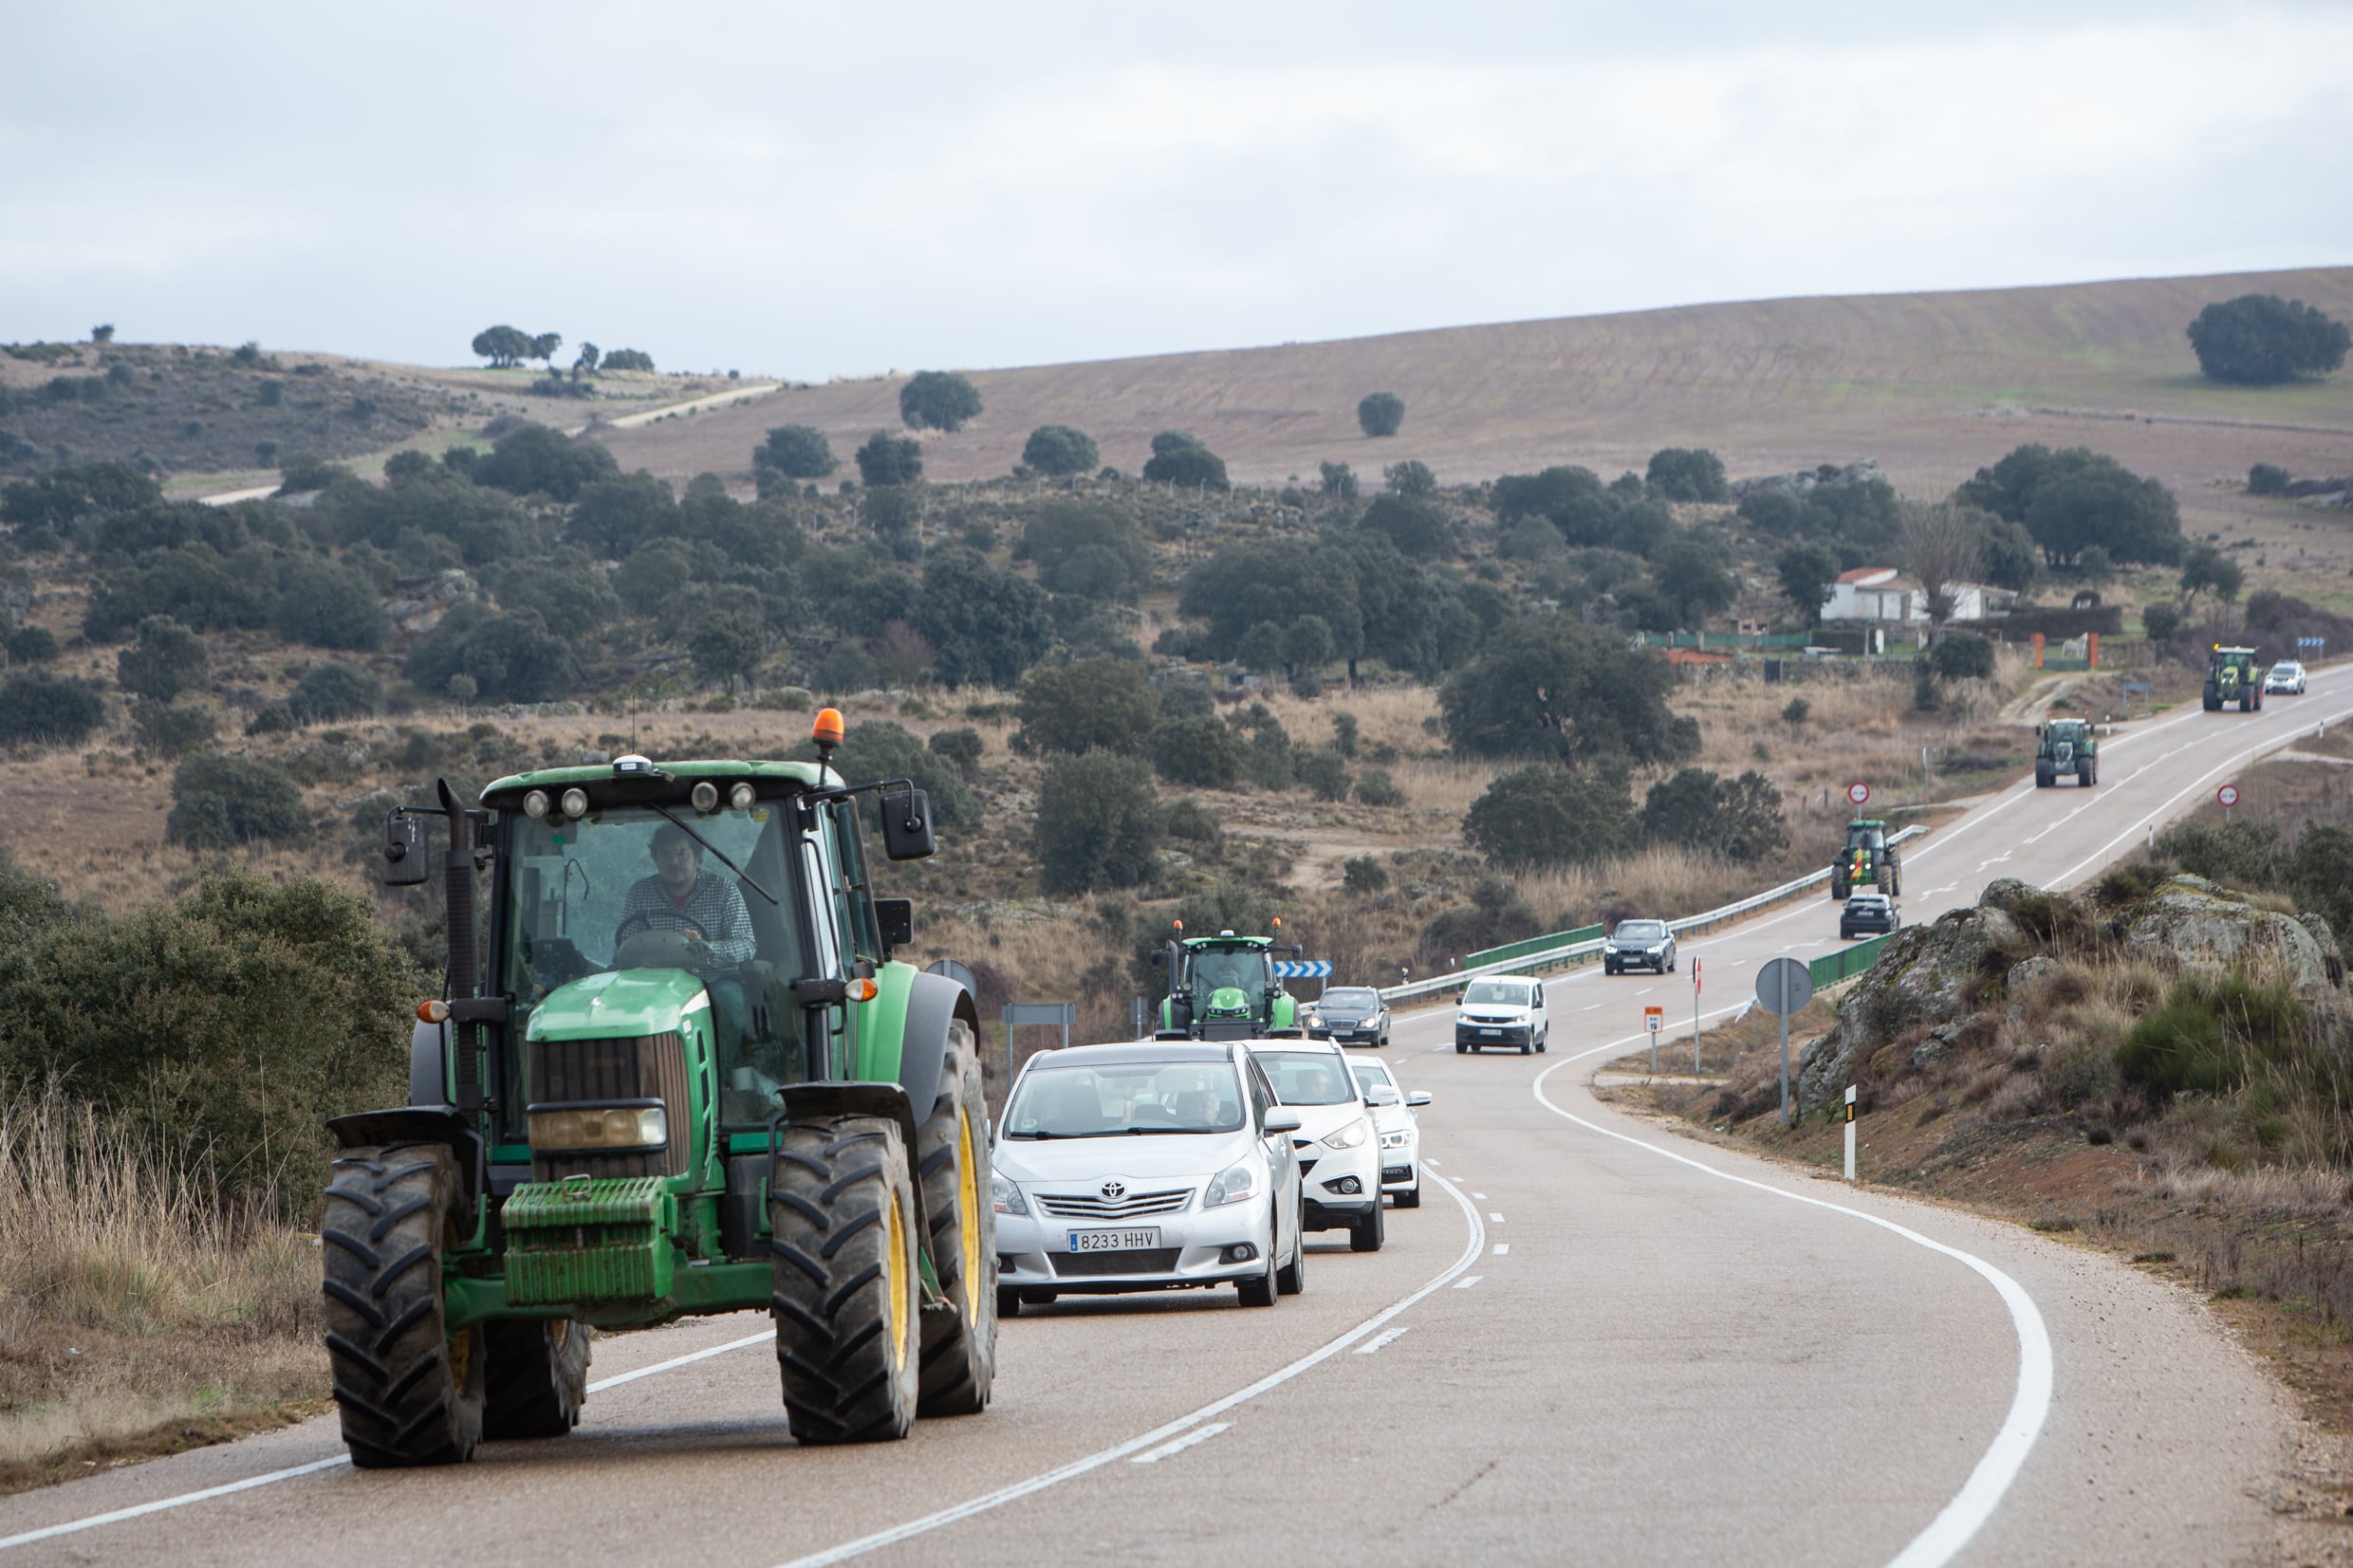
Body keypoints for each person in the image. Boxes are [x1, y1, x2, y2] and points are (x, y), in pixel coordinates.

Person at [618, 822, 755, 964]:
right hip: (656, 980)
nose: (674, 862)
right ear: (655, 858)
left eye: (681, 853)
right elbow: (624, 945)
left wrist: (709, 949)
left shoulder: (724, 890)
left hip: (712, 979)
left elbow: (746, 945)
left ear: (697, 858)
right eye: (665, 854)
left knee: (727, 988)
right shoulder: (639, 893)